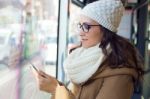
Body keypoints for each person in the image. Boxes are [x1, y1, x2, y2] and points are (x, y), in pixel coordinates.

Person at [36, 0, 144, 99]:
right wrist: (55, 84)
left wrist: (55, 89)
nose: (80, 32)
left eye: (87, 26)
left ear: (105, 29)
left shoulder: (121, 72)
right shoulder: (85, 57)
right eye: (80, 25)